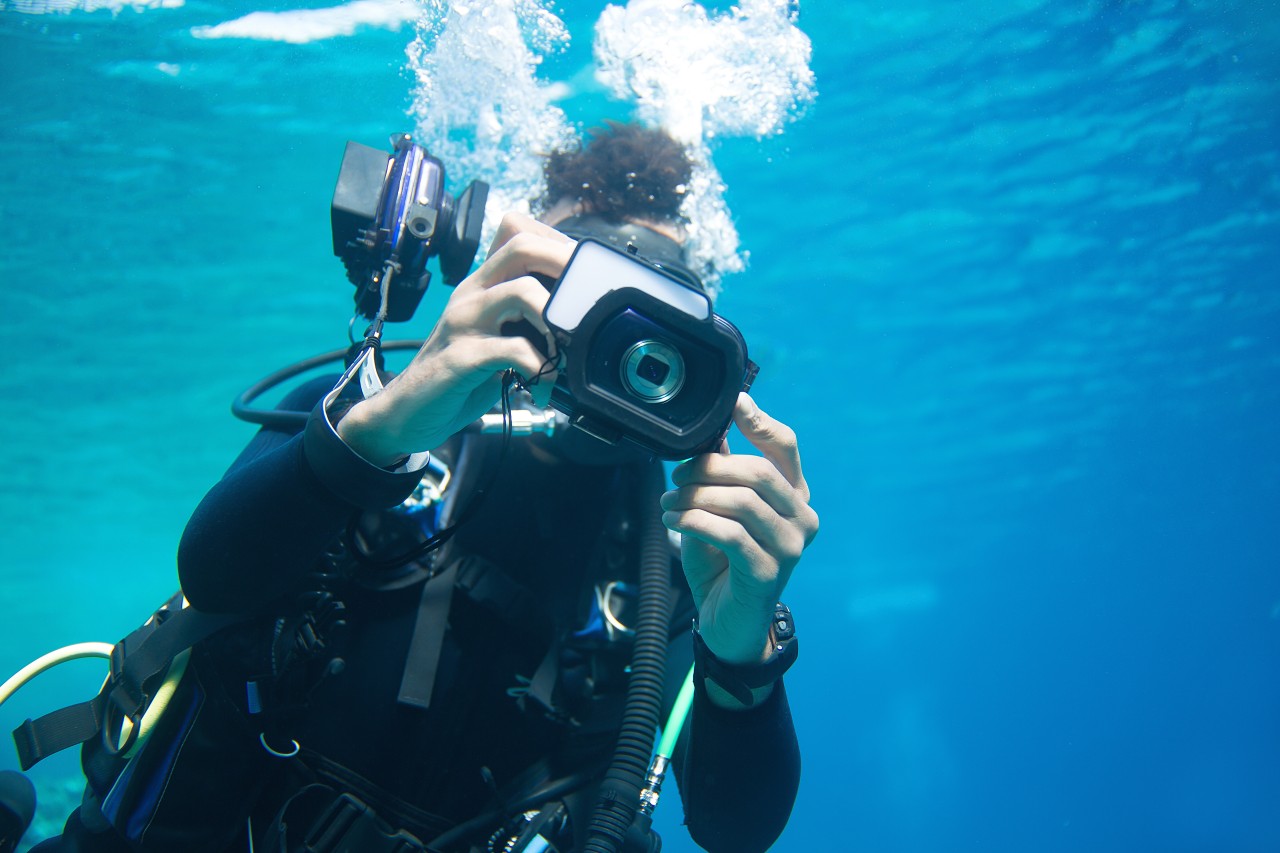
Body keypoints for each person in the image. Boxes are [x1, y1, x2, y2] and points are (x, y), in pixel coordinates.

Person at [30, 123, 818, 853]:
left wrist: (743, 647)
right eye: (589, 282)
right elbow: (214, 573)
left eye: (654, 307)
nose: (617, 336)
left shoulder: (676, 551)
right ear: (524, 275)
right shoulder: (380, 411)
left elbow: (735, 826)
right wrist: (376, 431)